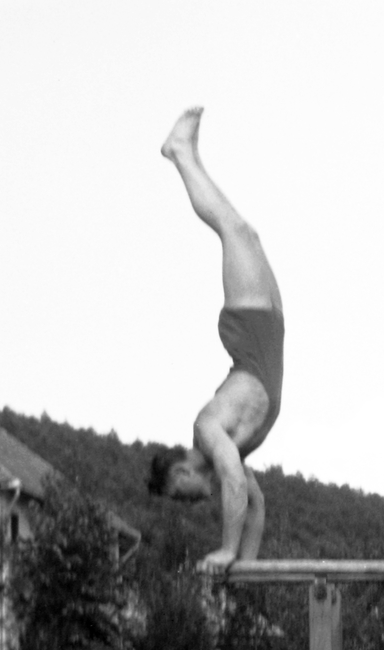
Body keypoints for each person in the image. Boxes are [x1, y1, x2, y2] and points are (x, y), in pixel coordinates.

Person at [147, 107, 283, 571]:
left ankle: (181, 153)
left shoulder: (208, 433)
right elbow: (256, 505)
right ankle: (187, 154)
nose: (187, 504)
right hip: (267, 339)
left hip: (250, 337)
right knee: (246, 233)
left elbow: (235, 485)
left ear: (181, 473)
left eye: (178, 496)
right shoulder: (228, 450)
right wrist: (244, 567)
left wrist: (225, 550)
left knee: (235, 231)